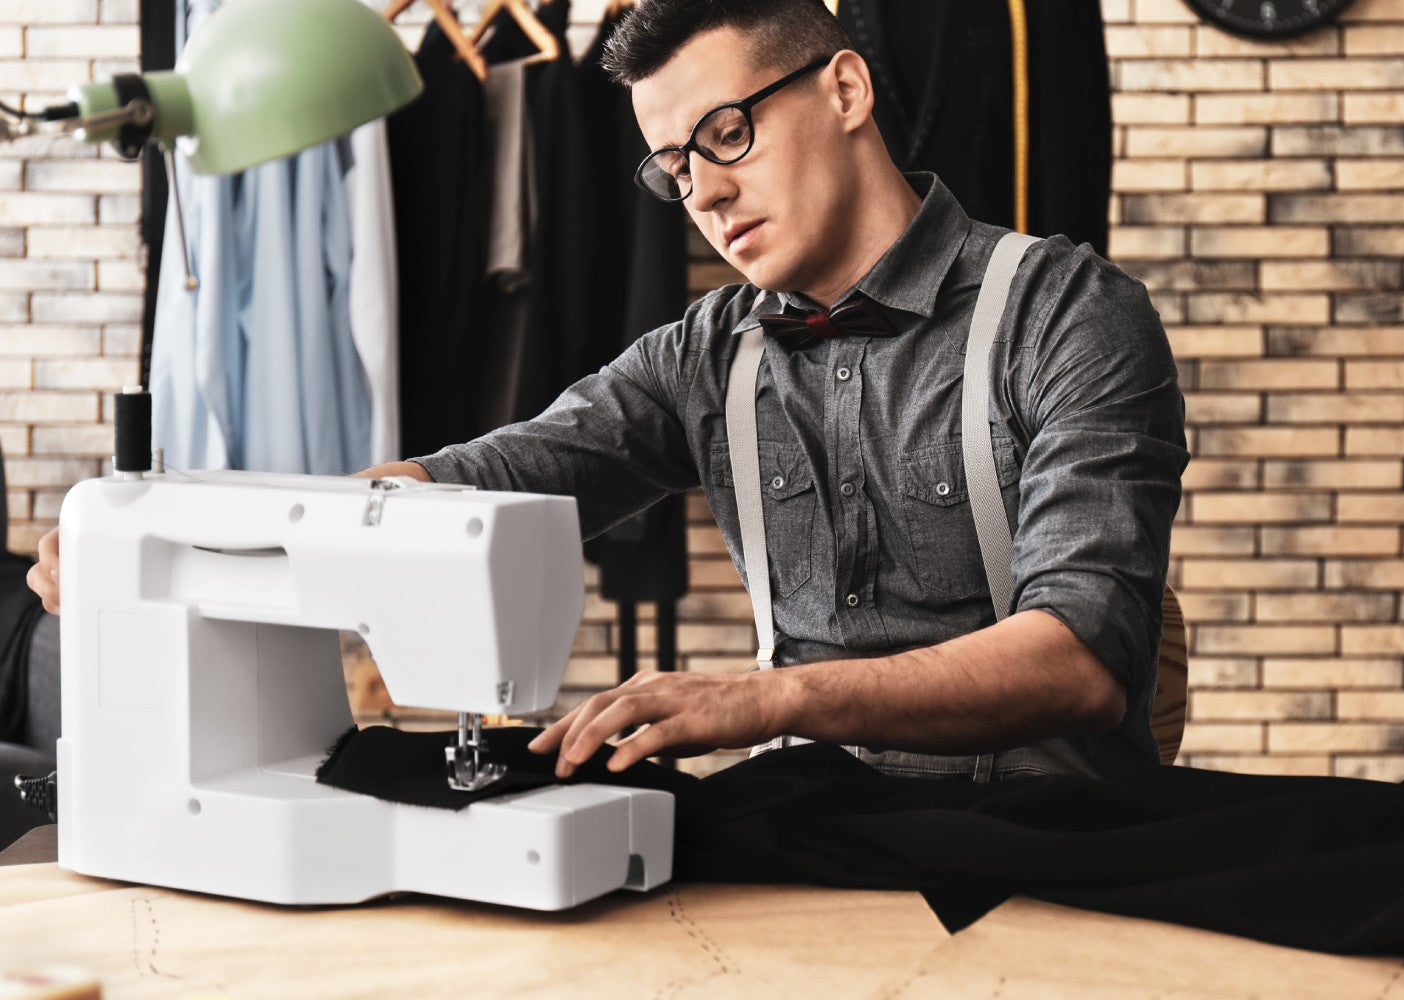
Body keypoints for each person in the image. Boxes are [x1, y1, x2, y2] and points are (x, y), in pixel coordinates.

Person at [29, 0, 1186, 783]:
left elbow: (1079, 657)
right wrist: (172, 542)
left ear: (844, 88)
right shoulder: (707, 355)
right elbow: (470, 481)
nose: (708, 195)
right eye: (676, 168)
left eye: (727, 134)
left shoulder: (1066, 315)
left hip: (1051, 856)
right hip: (816, 851)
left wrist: (762, 701)